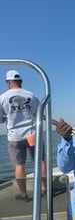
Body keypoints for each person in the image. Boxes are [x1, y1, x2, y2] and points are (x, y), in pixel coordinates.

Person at [0, 70, 47, 201]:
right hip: (32, 135)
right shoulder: (31, 95)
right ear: (21, 81)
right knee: (40, 160)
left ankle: (24, 194)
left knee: (19, 165)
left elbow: (0, 119)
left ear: (8, 82)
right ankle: (45, 189)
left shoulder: (2, 98)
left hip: (15, 137)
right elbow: (39, 113)